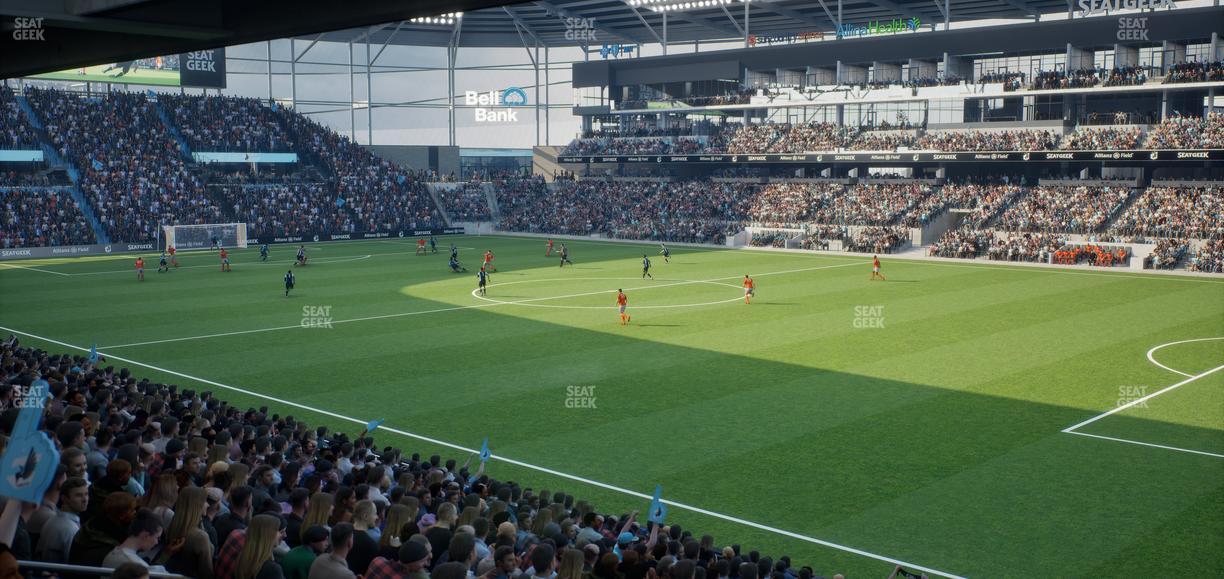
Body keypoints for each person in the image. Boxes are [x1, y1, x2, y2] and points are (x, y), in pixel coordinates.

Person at [36, 477, 89, 563]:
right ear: (64, 498)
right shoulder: (70, 529)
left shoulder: (51, 520)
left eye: (86, 494)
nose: (85, 499)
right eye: (78, 495)